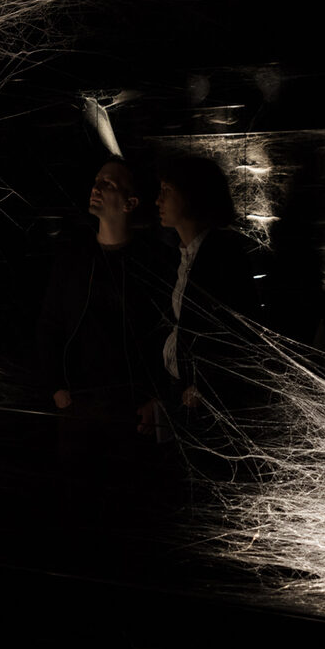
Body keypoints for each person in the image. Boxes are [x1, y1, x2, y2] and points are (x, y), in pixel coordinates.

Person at [36, 158, 172, 463]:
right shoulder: (73, 259)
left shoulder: (152, 265)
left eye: (108, 184)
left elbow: (166, 333)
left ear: (130, 203)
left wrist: (157, 398)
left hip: (133, 412)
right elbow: (49, 324)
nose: (95, 187)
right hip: (78, 407)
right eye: (97, 180)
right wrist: (57, 387)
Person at [153, 155, 257, 426]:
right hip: (185, 393)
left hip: (209, 405)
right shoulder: (183, 255)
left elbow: (237, 332)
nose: (158, 200)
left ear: (191, 194)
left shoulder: (223, 255)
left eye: (167, 191)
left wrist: (205, 386)